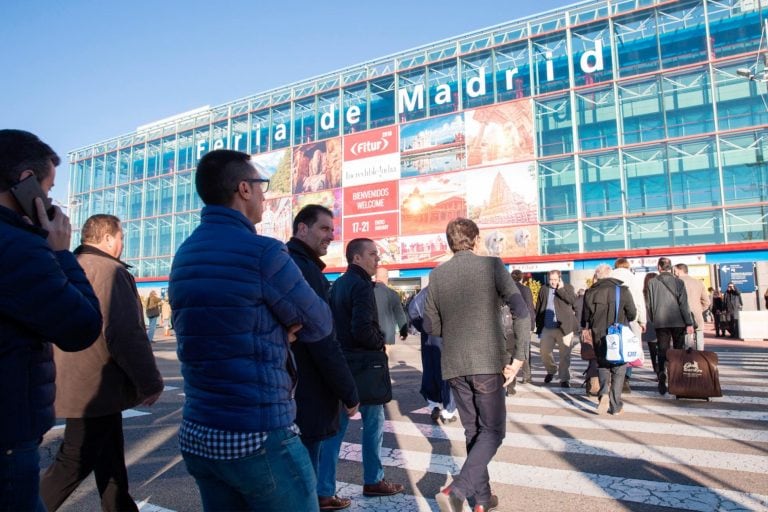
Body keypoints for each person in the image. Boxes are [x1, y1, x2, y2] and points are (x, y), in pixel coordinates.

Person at [169, 149, 332, 512]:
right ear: (244, 189)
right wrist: (281, 327)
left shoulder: (185, 254)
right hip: (257, 432)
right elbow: (319, 322)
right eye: (261, 186)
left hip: (199, 430)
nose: (264, 195)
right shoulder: (264, 253)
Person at [0, 129, 102, 512]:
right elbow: (81, 327)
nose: (50, 201)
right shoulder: (20, 247)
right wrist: (60, 253)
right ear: (26, 183)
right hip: (8, 432)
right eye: (49, 188)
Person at [40, 214, 164, 511]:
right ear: (108, 238)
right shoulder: (109, 271)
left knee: (109, 458)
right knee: (74, 462)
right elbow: (125, 334)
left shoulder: (65, 265)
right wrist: (149, 382)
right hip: (95, 384)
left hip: (73, 379)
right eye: (121, 237)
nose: (122, 243)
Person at [424, 218, 527, 512]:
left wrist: (454, 330)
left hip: (455, 363)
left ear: (449, 243)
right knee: (493, 431)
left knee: (474, 431)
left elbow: (430, 324)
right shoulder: (492, 266)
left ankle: (482, 500)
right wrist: (518, 357)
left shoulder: (437, 275)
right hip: (486, 360)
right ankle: (457, 490)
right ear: (477, 239)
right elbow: (521, 312)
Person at [286, 204, 360, 511]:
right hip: (308, 388)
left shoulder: (291, 264)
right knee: (305, 475)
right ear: (302, 228)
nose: (331, 235)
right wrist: (348, 391)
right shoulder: (305, 271)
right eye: (324, 228)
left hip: (290, 385)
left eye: (332, 229)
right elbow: (323, 340)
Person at [324, 238, 404, 499]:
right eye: (372, 254)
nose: (376, 259)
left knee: (337, 426)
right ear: (356, 258)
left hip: (341, 362)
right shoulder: (360, 285)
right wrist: (379, 340)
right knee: (374, 422)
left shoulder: (338, 285)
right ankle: (373, 479)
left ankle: (324, 488)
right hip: (364, 365)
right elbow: (362, 328)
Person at [582, 264, 637, 416]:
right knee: (619, 367)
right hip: (618, 334)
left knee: (603, 365)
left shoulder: (590, 292)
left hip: (598, 334)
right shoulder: (622, 290)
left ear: (597, 276)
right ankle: (615, 405)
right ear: (611, 275)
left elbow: (585, 318)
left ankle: (603, 394)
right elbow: (632, 314)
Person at [408, 286, 457, 423]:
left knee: (431, 371)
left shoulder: (424, 293)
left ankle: (434, 404)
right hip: (447, 338)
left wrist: (423, 327)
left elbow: (412, 310)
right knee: (448, 374)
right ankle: (448, 411)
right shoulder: (450, 290)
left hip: (428, 338)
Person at [645, 257, 694, 395]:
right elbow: (684, 304)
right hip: (678, 321)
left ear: (659, 267)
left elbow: (649, 305)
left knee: (662, 349)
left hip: (660, 322)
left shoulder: (652, 283)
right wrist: (689, 322)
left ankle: (661, 373)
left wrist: (654, 319)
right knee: (678, 350)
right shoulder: (679, 282)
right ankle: (677, 377)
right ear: (670, 267)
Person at [534, 270, 578, 388]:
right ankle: (551, 369)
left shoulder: (568, 287)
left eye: (555, 280)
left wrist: (561, 289)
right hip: (547, 326)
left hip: (564, 327)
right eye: (551, 280)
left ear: (560, 279)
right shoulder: (544, 289)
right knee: (544, 352)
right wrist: (538, 326)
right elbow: (539, 307)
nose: (553, 282)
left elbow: (573, 301)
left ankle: (564, 378)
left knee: (565, 355)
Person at [611, 258, 646, 393]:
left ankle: (614, 376)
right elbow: (639, 299)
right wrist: (643, 320)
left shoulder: (610, 276)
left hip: (613, 317)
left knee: (614, 346)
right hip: (631, 317)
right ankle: (626, 378)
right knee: (629, 347)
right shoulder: (632, 278)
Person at [673, 263, 709, 350]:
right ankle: (700, 358)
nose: (674, 273)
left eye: (674, 271)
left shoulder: (675, 283)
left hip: (681, 316)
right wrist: (699, 309)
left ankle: (688, 360)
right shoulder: (698, 282)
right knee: (699, 337)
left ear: (679, 271)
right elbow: (707, 302)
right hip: (697, 315)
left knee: (686, 340)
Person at [510, 269, 535, 387]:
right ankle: (526, 376)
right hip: (523, 321)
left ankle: (512, 377)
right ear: (521, 278)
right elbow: (530, 308)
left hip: (509, 322)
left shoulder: (508, 290)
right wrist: (532, 326)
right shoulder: (525, 290)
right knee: (524, 348)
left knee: (511, 349)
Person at [374, 267, 408, 345]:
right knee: (385, 356)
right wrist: (403, 332)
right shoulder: (392, 294)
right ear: (387, 278)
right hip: (387, 335)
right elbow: (399, 314)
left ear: (376, 277)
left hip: (369, 334)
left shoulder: (366, 291)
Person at [642, 273, 660, 376]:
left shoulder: (643, 294)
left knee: (652, 349)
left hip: (649, 323)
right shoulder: (660, 292)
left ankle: (657, 370)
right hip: (662, 322)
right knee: (663, 347)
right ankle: (663, 368)